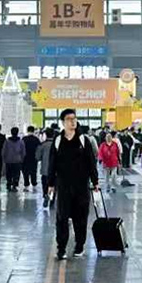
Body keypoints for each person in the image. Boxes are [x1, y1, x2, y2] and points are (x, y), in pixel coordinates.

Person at [47, 109, 100, 259]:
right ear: (63, 122)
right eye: (69, 119)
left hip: (81, 186)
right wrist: (50, 183)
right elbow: (52, 163)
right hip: (63, 186)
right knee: (62, 218)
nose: (73, 121)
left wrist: (95, 181)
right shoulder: (58, 140)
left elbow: (91, 162)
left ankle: (79, 246)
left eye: (74, 118)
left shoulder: (83, 140)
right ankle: (61, 248)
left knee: (80, 218)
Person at [37, 126, 57, 208]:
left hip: (45, 170)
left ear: (46, 135)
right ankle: (52, 201)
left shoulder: (42, 145)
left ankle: (46, 195)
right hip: (55, 170)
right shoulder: (57, 145)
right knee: (54, 185)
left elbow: (37, 157)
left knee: (45, 184)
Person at [3, 127, 26, 192]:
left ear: (11, 132)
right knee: (16, 174)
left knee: (9, 173)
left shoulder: (7, 141)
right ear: (17, 132)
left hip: (8, 160)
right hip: (17, 160)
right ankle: (14, 186)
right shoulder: (21, 141)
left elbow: (4, 151)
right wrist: (22, 159)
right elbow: (23, 152)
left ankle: (9, 184)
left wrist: (4, 159)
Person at [21, 126, 41, 193]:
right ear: (33, 131)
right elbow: (39, 149)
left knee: (25, 172)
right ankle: (34, 185)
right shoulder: (36, 139)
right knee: (33, 172)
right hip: (33, 158)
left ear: (27, 131)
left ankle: (26, 185)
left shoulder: (24, 139)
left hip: (25, 158)